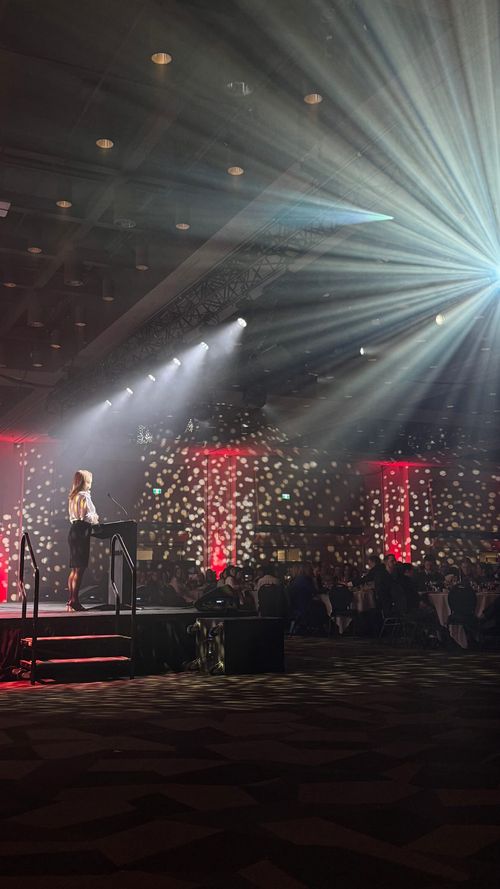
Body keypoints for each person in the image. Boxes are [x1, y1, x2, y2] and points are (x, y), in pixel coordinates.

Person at [67, 469, 99, 611]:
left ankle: (71, 599)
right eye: (89, 481)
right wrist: (96, 519)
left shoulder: (73, 496)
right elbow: (89, 516)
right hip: (82, 531)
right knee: (80, 569)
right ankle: (75, 601)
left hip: (73, 530)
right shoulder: (84, 496)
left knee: (74, 569)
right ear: (83, 482)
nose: (91, 484)